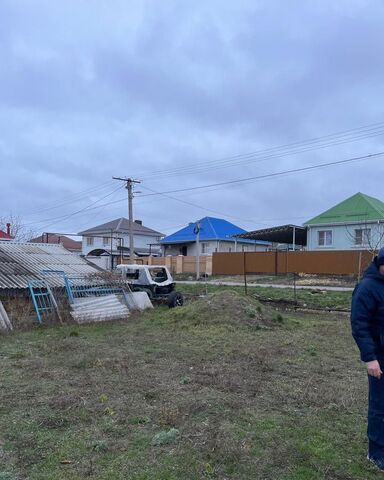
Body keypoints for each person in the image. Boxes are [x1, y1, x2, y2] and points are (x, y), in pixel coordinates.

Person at [351, 246, 384, 470]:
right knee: (379, 405)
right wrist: (370, 359)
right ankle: (376, 451)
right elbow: (359, 325)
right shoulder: (366, 288)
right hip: (379, 357)